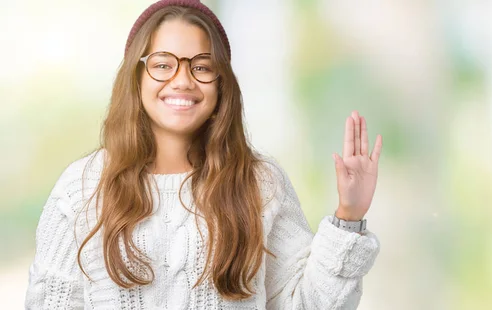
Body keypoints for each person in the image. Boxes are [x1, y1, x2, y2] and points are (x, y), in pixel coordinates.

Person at [24, 0, 383, 309]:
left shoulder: (260, 183)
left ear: (222, 84)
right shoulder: (82, 188)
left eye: (201, 67)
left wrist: (349, 216)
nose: (183, 80)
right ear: (136, 77)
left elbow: (303, 304)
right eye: (163, 64)